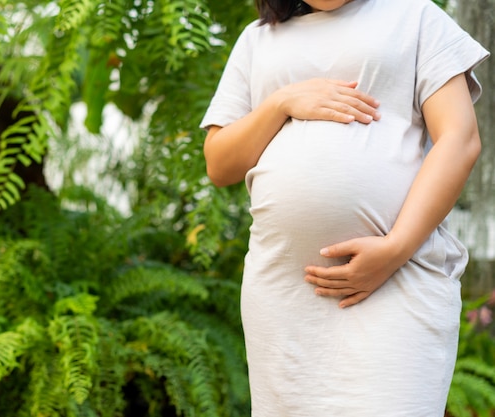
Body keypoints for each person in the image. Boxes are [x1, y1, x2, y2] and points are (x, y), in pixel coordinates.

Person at [200, 0, 490, 415]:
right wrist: (281, 102)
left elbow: (460, 139)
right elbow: (219, 163)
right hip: (284, 294)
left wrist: (396, 248)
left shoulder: (416, 16)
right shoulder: (256, 40)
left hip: (399, 280)